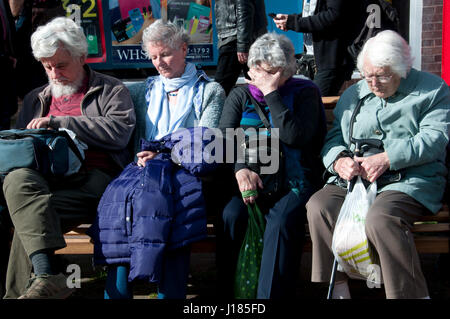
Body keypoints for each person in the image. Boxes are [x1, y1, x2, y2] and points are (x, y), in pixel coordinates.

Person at [306, 30, 450, 299]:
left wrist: (388, 157)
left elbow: (434, 138)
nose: (373, 83)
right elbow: (335, 136)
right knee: (319, 206)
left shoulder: (432, 90)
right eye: (367, 75)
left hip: (409, 179)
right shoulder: (356, 93)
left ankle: (410, 295)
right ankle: (338, 289)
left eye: (382, 75)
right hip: (355, 181)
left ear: (403, 68)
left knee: (382, 219)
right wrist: (339, 160)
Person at [1, 17, 136, 299]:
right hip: (46, 182)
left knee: (29, 217)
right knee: (17, 181)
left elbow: (119, 133)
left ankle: (27, 289)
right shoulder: (35, 98)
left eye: (60, 65)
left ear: (81, 56)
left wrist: (61, 123)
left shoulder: (111, 89)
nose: (53, 73)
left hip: (95, 181)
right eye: (47, 66)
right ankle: (47, 277)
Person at [94, 19, 225, 299]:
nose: (159, 63)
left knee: (171, 206)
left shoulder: (209, 90)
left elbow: (206, 141)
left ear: (184, 49)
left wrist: (165, 155)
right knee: (118, 205)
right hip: (141, 168)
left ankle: (169, 294)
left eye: (164, 54)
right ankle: (116, 294)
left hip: (186, 170)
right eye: (153, 57)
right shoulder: (142, 91)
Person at [218, 32, 327, 299]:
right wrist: (240, 168)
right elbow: (224, 140)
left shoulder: (305, 92)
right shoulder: (240, 94)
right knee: (232, 216)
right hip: (253, 177)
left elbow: (294, 137)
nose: (261, 75)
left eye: (270, 71)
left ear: (287, 70)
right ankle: (230, 293)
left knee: (279, 221)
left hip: (295, 179)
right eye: (257, 68)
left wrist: (271, 94)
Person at [272, 0, 362, 96]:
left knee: (314, 103)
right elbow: (314, 13)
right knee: (309, 103)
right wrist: (290, 19)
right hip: (312, 58)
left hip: (330, 60)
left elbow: (333, 15)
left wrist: (294, 22)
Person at [214, 0, 267, 96]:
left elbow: (244, 7)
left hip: (236, 36)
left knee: (219, 90)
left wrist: (242, 44)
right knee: (258, 86)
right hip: (241, 35)